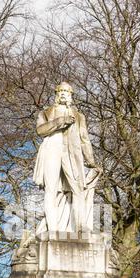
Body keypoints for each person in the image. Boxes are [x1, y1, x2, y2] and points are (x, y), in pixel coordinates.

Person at [33, 82, 101, 233]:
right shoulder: (46, 112)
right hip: (52, 149)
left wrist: (91, 161)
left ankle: (81, 226)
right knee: (51, 189)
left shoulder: (78, 116)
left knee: (77, 188)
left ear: (71, 95)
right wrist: (59, 122)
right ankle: (53, 229)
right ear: (57, 94)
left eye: (67, 92)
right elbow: (40, 130)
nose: (63, 94)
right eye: (61, 91)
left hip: (72, 153)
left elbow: (85, 139)